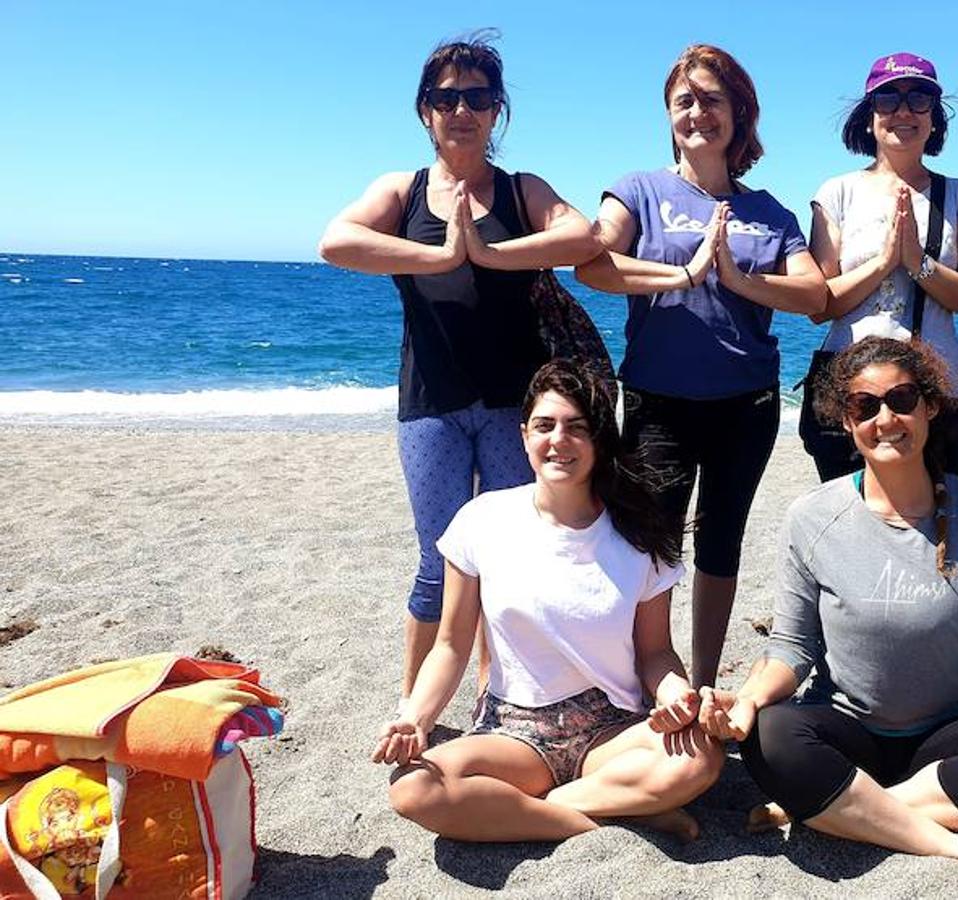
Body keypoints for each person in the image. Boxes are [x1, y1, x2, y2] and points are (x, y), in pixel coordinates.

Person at [699, 338, 958, 900]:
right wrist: (747, 700)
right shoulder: (813, 516)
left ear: (930, 406)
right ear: (846, 421)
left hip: (948, 734)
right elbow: (792, 645)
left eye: (902, 399)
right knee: (771, 734)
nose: (885, 419)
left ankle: (835, 809)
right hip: (846, 729)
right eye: (865, 406)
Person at [318, 35, 599, 707]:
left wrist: (490, 254)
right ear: (425, 111)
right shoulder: (401, 189)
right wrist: (443, 258)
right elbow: (336, 242)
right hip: (431, 405)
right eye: (446, 98)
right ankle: (416, 708)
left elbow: (581, 236)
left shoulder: (518, 189)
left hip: (515, 408)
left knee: (508, 559)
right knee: (438, 560)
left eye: (476, 97)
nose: (461, 110)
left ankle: (495, 695)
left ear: (495, 111)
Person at [372, 360, 723, 842]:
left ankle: (539, 809)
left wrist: (675, 697)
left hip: (609, 729)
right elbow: (451, 647)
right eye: (545, 425)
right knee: (413, 790)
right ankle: (605, 814)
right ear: (524, 436)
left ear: (599, 440)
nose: (558, 440)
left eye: (577, 427)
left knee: (702, 755)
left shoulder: (638, 538)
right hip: (512, 731)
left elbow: (655, 654)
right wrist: (415, 717)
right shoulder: (482, 519)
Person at [576, 44, 826, 689]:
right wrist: (683, 274)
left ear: (739, 114)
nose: (698, 113)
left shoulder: (768, 211)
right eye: (684, 101)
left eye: (713, 100)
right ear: (668, 114)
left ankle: (707, 679)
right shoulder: (638, 190)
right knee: (650, 543)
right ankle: (647, 681)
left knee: (720, 543)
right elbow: (593, 264)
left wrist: (738, 279)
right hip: (660, 397)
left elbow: (814, 294)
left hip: (746, 401)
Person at [804, 52, 958, 482]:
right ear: (869, 116)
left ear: (935, 117)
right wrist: (887, 261)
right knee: (847, 524)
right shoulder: (838, 192)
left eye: (919, 98)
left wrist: (918, 263)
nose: (903, 110)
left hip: (935, 392)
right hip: (851, 390)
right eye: (887, 98)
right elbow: (819, 305)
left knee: (936, 526)